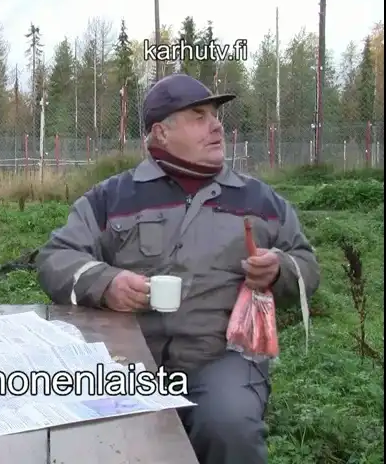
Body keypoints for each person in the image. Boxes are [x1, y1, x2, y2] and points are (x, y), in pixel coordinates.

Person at [35, 74, 320, 464]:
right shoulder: (111, 198)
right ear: (161, 133)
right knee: (98, 440)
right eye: (199, 116)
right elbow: (56, 256)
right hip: (127, 359)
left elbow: (307, 264)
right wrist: (106, 283)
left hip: (221, 358)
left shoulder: (260, 200)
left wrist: (279, 270)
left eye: (215, 116)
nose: (216, 126)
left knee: (229, 426)